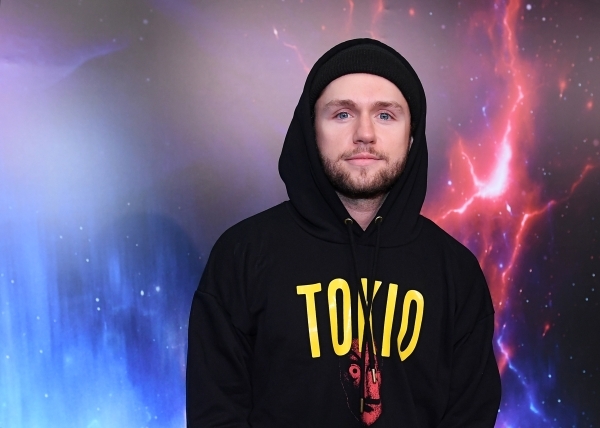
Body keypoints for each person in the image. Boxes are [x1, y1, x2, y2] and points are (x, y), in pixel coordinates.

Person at [186, 38, 501, 427]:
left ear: (411, 136)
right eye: (342, 114)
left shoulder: (455, 271)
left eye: (385, 115)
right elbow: (217, 412)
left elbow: (470, 415)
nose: (364, 133)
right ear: (310, 130)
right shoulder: (242, 255)